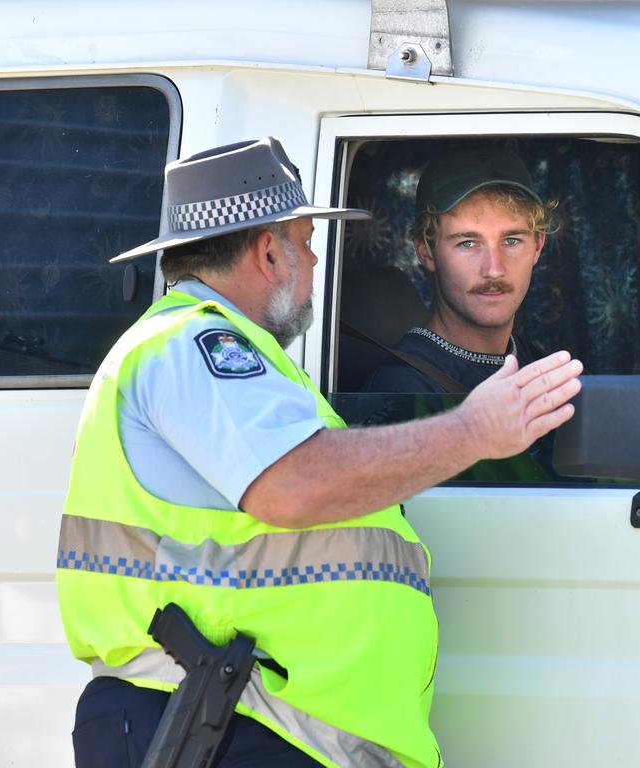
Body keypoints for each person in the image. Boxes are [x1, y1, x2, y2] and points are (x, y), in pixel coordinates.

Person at [55, 137, 582, 768]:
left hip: (248, 725)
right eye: (305, 242)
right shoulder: (192, 343)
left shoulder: (236, 358)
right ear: (267, 249)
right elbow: (294, 487)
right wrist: (472, 430)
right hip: (217, 722)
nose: (313, 262)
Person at [363, 145, 556, 394]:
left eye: (511, 241)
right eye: (468, 243)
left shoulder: (543, 368)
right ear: (426, 252)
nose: (494, 270)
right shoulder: (402, 388)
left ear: (538, 246)